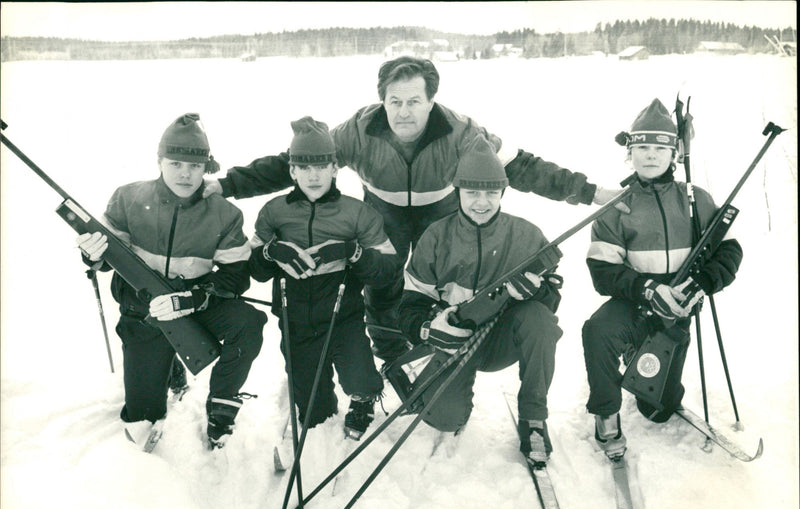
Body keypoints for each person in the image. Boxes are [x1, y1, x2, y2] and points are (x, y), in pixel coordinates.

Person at [203, 56, 622, 367]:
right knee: (383, 282)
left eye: (414, 101)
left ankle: (440, 341)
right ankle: (390, 351)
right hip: (382, 209)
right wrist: (227, 185)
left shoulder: (463, 131)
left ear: (431, 100)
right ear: (382, 100)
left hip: (440, 210)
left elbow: (525, 168)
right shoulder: (357, 130)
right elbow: (295, 162)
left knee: (431, 281)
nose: (404, 111)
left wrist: (591, 192)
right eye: (394, 101)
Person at [76, 113, 267, 450]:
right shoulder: (128, 198)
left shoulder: (224, 213)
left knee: (249, 322)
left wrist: (193, 299)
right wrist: (92, 254)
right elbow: (106, 261)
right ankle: (170, 369)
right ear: (159, 160)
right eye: (176, 163)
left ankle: (222, 406)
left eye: (194, 166)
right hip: (143, 312)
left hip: (195, 306)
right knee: (143, 416)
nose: (185, 173)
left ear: (206, 168)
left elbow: (236, 277)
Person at [582, 99, 743, 457]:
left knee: (657, 410)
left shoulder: (695, 199)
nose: (650, 156)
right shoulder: (618, 206)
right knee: (598, 330)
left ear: (675, 153)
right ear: (630, 153)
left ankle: (643, 360)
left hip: (677, 314)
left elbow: (729, 251)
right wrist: (647, 288)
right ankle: (606, 413)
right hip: (633, 304)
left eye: (660, 148)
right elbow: (603, 272)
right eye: (641, 148)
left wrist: (702, 284)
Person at [396, 134, 564, 464]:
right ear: (458, 191)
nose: (481, 202)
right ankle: (452, 396)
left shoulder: (527, 234)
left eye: (491, 192)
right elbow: (409, 307)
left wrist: (539, 293)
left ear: (502, 193)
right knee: (446, 419)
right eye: (472, 192)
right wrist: (430, 328)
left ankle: (533, 417)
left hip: (502, 339)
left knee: (541, 321)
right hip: (455, 342)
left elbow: (552, 297)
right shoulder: (435, 237)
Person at [248, 116, 396, 440]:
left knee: (361, 380)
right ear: (292, 171)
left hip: (344, 317)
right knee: (315, 413)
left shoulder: (357, 213)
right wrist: (272, 252)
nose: (313, 175)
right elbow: (254, 270)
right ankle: (318, 402)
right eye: (304, 167)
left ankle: (363, 399)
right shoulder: (274, 212)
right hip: (295, 321)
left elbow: (387, 269)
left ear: (334, 168)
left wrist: (352, 252)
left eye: (321, 166)